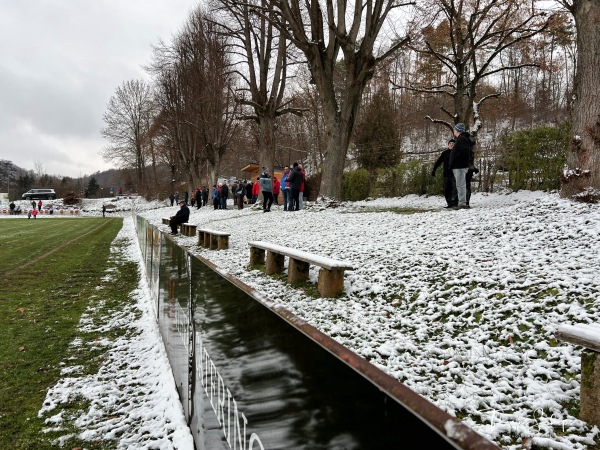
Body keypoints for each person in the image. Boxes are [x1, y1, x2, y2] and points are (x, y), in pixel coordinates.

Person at [450, 123, 472, 209]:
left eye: (455, 129)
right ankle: (462, 202)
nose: (454, 131)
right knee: (460, 184)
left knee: (461, 184)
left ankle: (462, 203)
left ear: (458, 130)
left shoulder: (462, 139)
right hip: (459, 165)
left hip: (460, 166)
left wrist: (455, 158)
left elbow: (463, 151)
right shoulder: (461, 138)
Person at [432, 139, 458, 208]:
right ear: (448, 145)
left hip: (455, 174)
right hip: (446, 174)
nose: (451, 145)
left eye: (453, 144)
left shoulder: (457, 152)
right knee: (447, 189)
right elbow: (439, 161)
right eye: (450, 144)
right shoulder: (445, 153)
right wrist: (434, 169)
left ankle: (455, 203)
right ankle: (449, 203)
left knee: (454, 189)